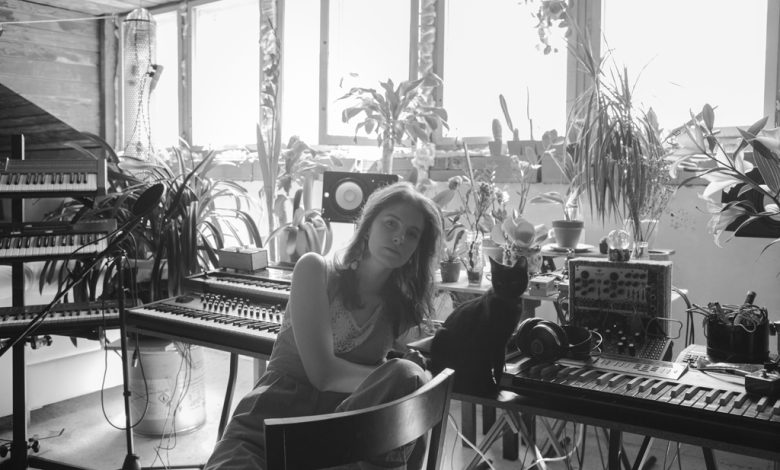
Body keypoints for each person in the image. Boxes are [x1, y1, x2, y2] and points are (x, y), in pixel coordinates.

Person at [205, 181, 444, 469]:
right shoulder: (314, 269)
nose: (399, 237)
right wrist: (392, 375)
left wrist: (413, 372)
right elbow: (323, 374)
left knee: (409, 378)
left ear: (417, 248)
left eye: (412, 234)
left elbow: (419, 367)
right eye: (391, 223)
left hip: (336, 439)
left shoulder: (400, 308)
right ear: (368, 226)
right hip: (267, 426)